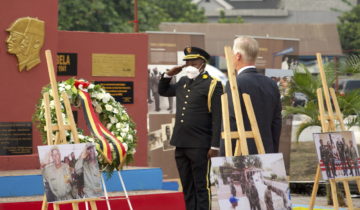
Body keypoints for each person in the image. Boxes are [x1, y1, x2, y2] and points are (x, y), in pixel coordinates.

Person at [158, 46, 223, 210]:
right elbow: (163, 91)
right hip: (181, 143)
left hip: (201, 145)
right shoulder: (182, 81)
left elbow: (217, 117)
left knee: (201, 186)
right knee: (187, 186)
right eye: (186, 61)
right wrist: (168, 75)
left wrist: (214, 145)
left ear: (202, 62)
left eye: (193, 61)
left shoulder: (213, 84)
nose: (188, 64)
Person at [220, 36, 282, 155]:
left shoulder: (234, 84)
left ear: (237, 56)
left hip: (241, 154)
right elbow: (276, 122)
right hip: (266, 151)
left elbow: (231, 121)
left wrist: (225, 156)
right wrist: (273, 152)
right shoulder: (271, 83)